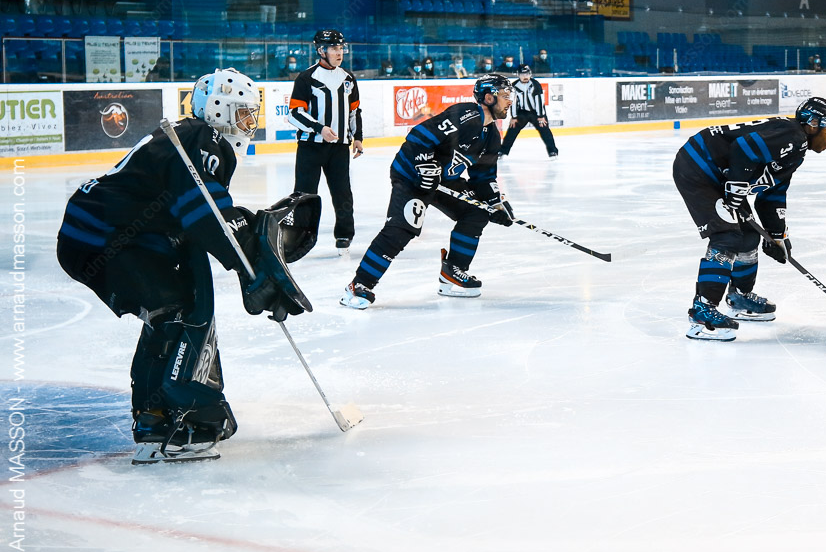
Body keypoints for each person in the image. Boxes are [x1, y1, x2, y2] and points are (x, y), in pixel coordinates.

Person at [56, 69, 316, 461]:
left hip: (106, 236)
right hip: (105, 239)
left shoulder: (191, 135)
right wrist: (249, 268)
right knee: (177, 311)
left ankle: (157, 415)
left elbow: (202, 215)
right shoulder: (202, 137)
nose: (249, 122)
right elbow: (204, 213)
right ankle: (179, 415)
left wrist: (252, 259)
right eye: (242, 112)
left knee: (172, 309)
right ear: (218, 108)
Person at [674, 97, 826, 341]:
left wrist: (777, 235)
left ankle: (740, 297)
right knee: (727, 235)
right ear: (813, 123)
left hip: (721, 175)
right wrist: (736, 185)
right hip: (698, 166)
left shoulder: (795, 150)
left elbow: (772, 195)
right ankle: (703, 311)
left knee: (749, 235)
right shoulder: (793, 135)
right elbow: (743, 147)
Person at [341, 74, 515, 308]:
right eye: (505, 95)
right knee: (403, 228)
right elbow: (420, 135)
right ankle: (359, 285)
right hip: (411, 176)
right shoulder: (466, 115)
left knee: (477, 211)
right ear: (488, 98)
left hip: (443, 181)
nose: (509, 101)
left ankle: (453, 272)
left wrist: (495, 203)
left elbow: (483, 176)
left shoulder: (492, 136)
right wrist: (424, 165)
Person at [288, 30, 364, 254]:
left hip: (339, 149)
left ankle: (344, 235)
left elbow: (354, 111)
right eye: (334, 48)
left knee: (342, 192)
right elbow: (295, 113)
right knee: (304, 193)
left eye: (341, 48)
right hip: (310, 147)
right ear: (321, 50)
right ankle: (300, 237)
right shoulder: (306, 78)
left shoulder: (348, 78)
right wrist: (319, 128)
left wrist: (358, 137)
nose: (339, 53)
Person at [500, 63, 559, 159]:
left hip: (536, 113)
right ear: (518, 74)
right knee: (512, 130)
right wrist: (514, 117)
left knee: (545, 130)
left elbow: (539, 101)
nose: (525, 76)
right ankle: (503, 152)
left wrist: (541, 116)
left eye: (527, 74)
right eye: (523, 74)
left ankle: (553, 151)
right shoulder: (514, 86)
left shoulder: (535, 84)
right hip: (522, 113)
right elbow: (513, 102)